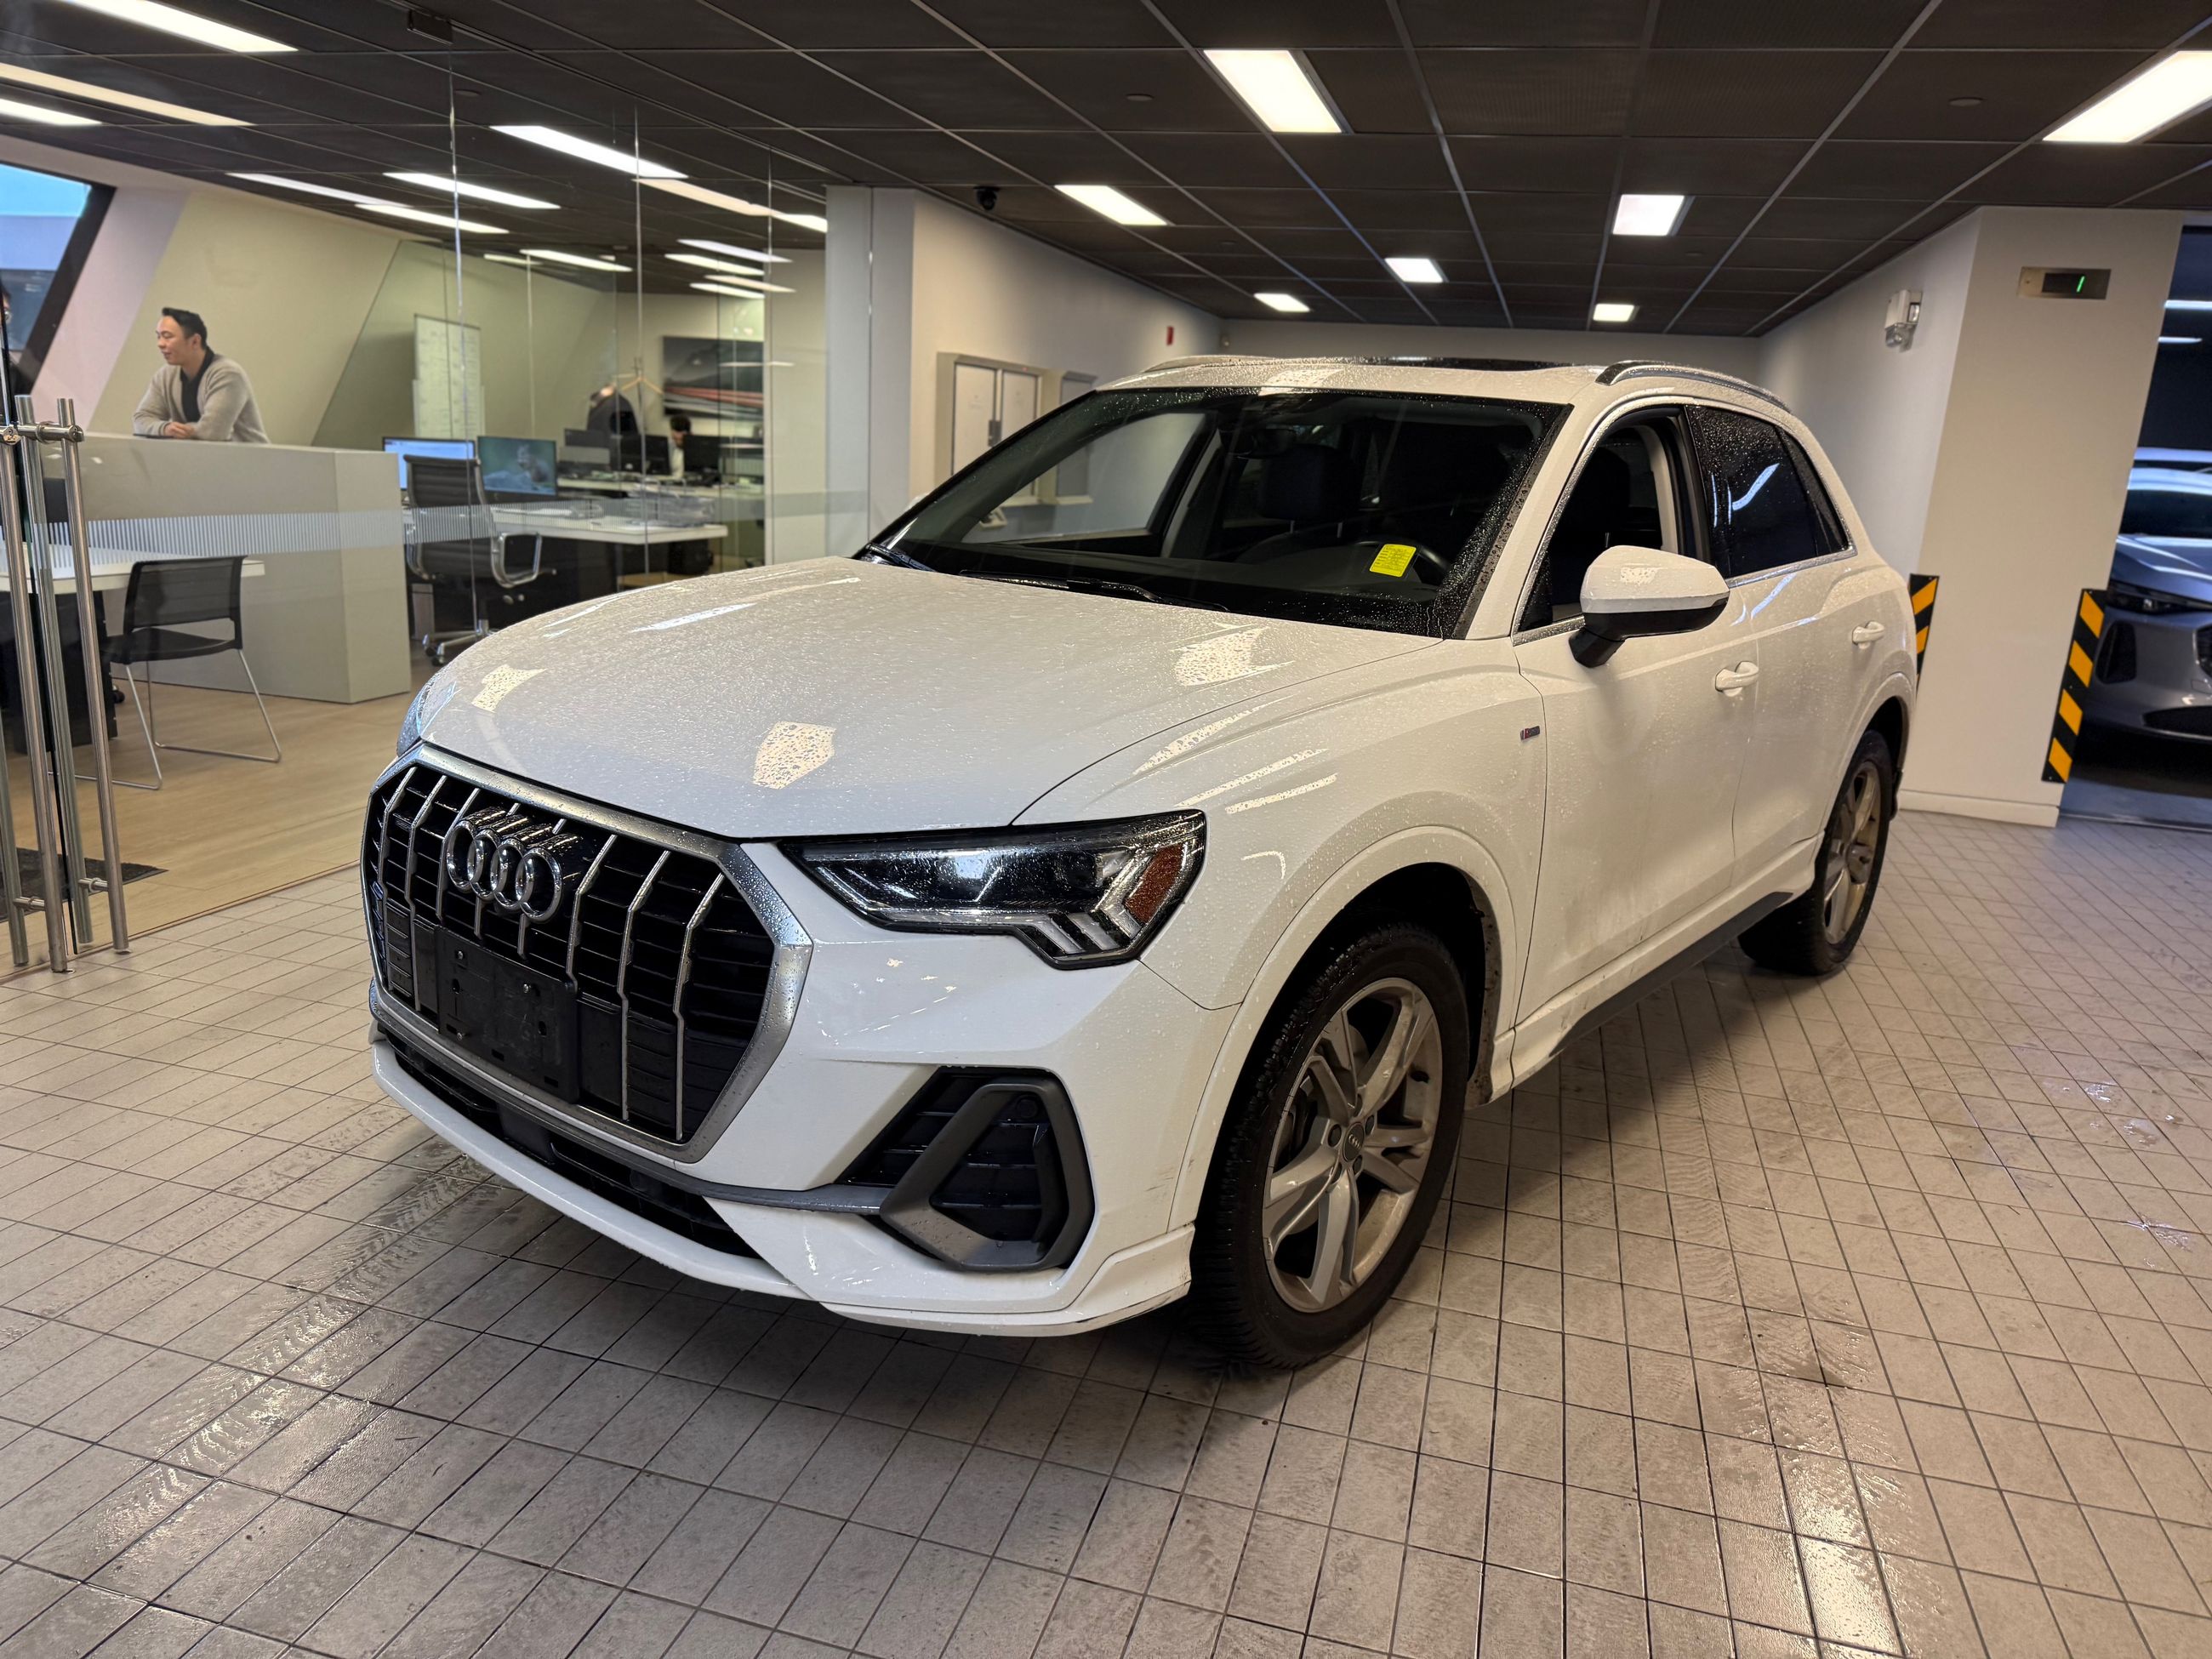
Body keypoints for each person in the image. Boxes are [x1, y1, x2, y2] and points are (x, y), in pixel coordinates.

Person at [132, 307, 266, 442]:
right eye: (158, 336)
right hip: (203, 460)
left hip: (249, 461)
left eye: (167, 336)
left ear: (195, 341)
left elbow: (213, 432)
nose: (160, 344)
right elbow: (141, 419)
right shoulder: (165, 375)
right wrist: (165, 428)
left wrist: (175, 430)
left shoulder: (228, 374)